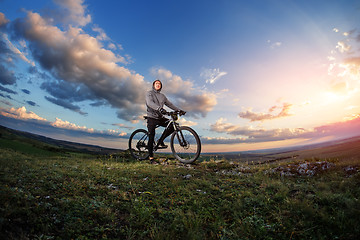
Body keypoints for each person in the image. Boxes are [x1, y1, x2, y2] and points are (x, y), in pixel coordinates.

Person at [145, 79, 184, 162]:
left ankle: (160, 140)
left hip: (159, 117)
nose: (158, 85)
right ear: (153, 85)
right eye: (156, 83)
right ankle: (151, 158)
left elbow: (170, 104)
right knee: (151, 135)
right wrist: (160, 108)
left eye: (159, 84)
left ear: (161, 86)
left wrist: (179, 110)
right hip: (151, 117)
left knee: (172, 127)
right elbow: (149, 103)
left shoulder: (162, 96)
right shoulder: (149, 93)